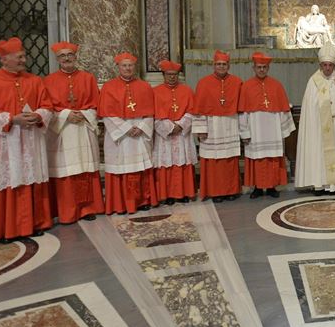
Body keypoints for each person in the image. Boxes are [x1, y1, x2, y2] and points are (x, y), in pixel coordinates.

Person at [0, 37, 53, 242]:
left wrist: (39, 115)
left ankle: (32, 224)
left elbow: (47, 106)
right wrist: (12, 119)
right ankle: (4, 229)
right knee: (5, 180)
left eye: (24, 56)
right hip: (3, 143)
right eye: (20, 57)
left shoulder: (34, 80)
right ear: (4, 60)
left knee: (29, 178)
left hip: (30, 139)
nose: (25, 59)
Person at [43, 41, 103, 224]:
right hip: (62, 131)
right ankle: (67, 210)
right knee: (67, 172)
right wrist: (67, 115)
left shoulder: (88, 78)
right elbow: (46, 107)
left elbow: (96, 104)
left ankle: (87, 208)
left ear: (75, 57)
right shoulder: (49, 81)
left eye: (70, 55)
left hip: (83, 128)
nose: (67, 58)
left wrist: (84, 114)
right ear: (57, 59)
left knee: (85, 169)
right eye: (62, 56)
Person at [296, 42, 335, 194]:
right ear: (320, 65)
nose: (327, 68)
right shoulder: (313, 81)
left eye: (330, 65)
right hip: (320, 125)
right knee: (320, 155)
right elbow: (309, 106)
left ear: (334, 65)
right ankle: (320, 184)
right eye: (324, 65)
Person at [98, 52, 158, 214]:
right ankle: (121, 204)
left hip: (139, 132)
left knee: (140, 168)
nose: (127, 68)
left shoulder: (144, 86)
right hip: (121, 136)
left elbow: (150, 113)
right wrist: (126, 128)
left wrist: (142, 126)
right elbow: (107, 115)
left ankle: (143, 201)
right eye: (124, 65)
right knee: (122, 169)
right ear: (118, 67)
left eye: (130, 65)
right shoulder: (109, 87)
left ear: (134, 67)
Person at [239, 52, 296, 198]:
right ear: (254, 68)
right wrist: (244, 132)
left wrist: (284, 129)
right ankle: (257, 188)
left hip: (273, 130)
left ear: (268, 68)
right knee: (257, 159)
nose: (262, 70)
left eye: (264, 67)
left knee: (272, 158)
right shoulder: (246, 86)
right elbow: (243, 112)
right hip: (255, 130)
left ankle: (272, 187)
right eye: (259, 67)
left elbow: (283, 109)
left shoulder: (276, 85)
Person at [193, 50, 243, 203]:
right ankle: (215, 192)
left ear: (229, 65)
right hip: (212, 126)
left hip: (230, 124)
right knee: (213, 162)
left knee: (230, 160)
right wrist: (201, 130)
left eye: (224, 64)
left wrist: (243, 129)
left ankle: (231, 190)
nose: (221, 67)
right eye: (218, 64)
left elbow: (242, 108)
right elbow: (199, 109)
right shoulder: (203, 83)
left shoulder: (237, 82)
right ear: (213, 65)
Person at [152, 60, 197, 205]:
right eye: (169, 74)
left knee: (183, 162)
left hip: (182, 134)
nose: (172, 77)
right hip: (165, 135)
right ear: (163, 74)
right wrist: (170, 127)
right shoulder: (155, 92)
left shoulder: (187, 90)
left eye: (175, 74)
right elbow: (154, 114)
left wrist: (181, 125)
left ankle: (184, 193)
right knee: (167, 163)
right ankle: (168, 195)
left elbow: (192, 111)